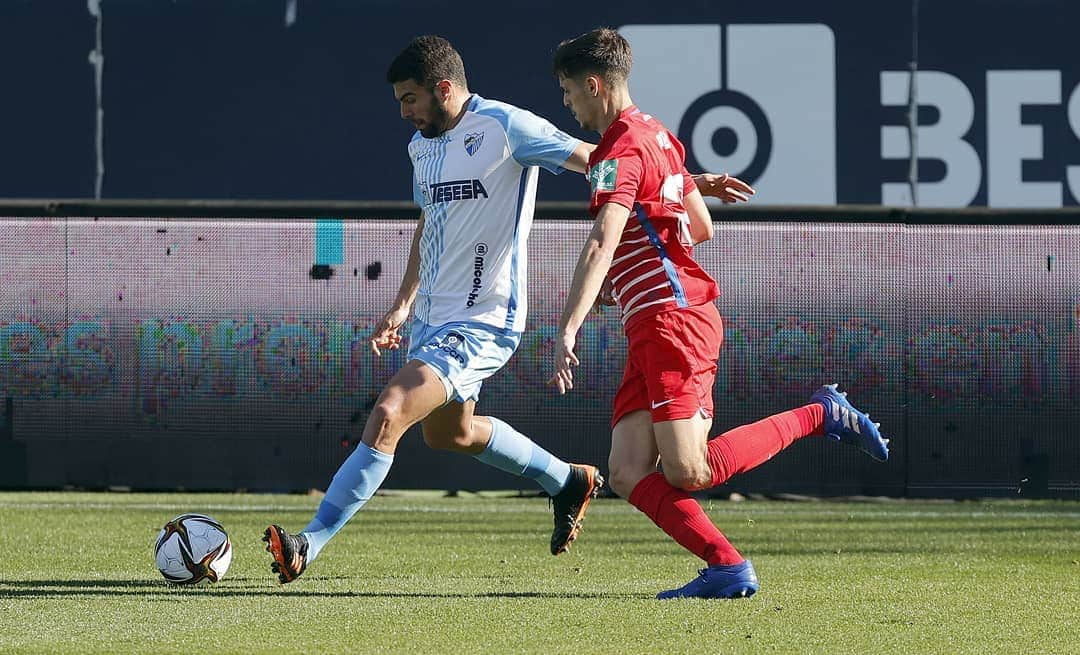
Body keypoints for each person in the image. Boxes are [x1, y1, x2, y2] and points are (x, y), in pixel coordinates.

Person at [263, 35, 737, 584]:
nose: (403, 111)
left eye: (410, 98)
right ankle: (566, 480)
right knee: (450, 434)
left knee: (390, 410)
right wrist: (402, 304)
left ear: (445, 88)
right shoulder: (422, 146)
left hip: (484, 318)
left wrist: (689, 182)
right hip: (431, 321)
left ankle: (308, 543)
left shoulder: (507, 126)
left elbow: (603, 163)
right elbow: (429, 224)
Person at [548, 28, 890, 600]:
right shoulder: (659, 136)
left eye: (567, 91)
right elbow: (699, 227)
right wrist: (640, 254)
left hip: (673, 321)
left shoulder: (619, 148)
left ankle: (820, 413)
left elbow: (602, 239)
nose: (567, 104)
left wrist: (568, 325)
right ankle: (727, 566)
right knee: (629, 470)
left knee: (691, 471)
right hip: (653, 319)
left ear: (593, 84)